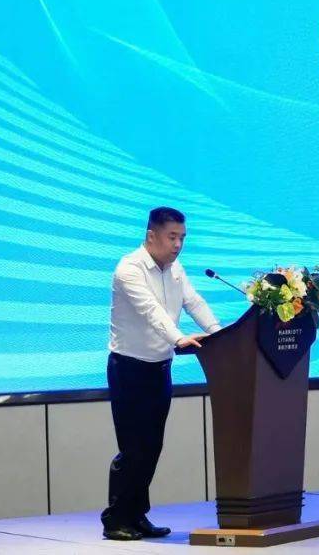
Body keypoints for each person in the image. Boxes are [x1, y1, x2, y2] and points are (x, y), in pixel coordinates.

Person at [101, 206, 221, 541]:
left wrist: (220, 334)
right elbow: (151, 312)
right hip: (129, 368)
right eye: (172, 237)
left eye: (182, 237)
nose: (178, 244)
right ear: (151, 235)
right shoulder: (129, 269)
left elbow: (194, 302)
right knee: (133, 447)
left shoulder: (175, 269)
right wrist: (179, 338)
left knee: (152, 446)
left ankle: (136, 515)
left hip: (159, 368)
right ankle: (115, 519)